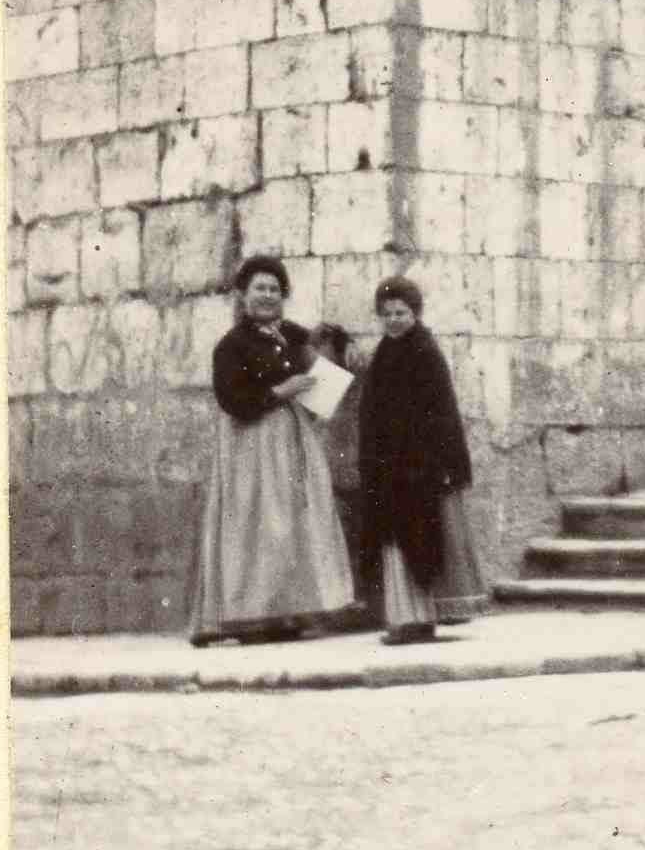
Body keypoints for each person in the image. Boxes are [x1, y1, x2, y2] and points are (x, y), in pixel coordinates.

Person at [189, 254, 357, 647]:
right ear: (243, 295)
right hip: (251, 444)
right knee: (258, 522)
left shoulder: (292, 335)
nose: (267, 296)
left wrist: (346, 346)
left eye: (274, 289)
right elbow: (231, 398)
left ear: (283, 296)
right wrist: (282, 390)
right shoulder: (232, 345)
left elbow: (324, 337)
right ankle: (252, 615)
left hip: (292, 442)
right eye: (259, 289)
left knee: (293, 523)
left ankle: (287, 612)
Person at [355, 277, 491, 647]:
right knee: (399, 543)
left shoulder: (424, 351)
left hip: (418, 466)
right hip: (392, 466)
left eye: (402, 312)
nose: (394, 320)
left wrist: (438, 462)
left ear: (416, 313)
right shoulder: (387, 350)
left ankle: (418, 620)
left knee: (417, 541)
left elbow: (441, 413)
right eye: (387, 314)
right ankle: (406, 618)